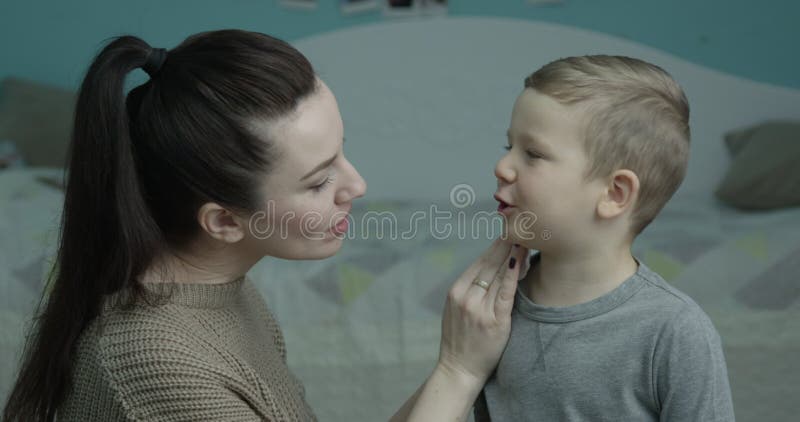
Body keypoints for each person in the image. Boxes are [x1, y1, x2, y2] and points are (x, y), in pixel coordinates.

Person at [1, 30, 529, 421]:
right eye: (319, 182)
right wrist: (457, 372)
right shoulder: (156, 364)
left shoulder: (217, 291)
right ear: (225, 221)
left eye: (342, 152)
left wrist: (458, 365)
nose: (357, 186)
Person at [477, 55, 735, 421]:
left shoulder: (675, 331)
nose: (501, 167)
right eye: (509, 148)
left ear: (615, 193)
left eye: (532, 154)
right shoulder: (491, 309)